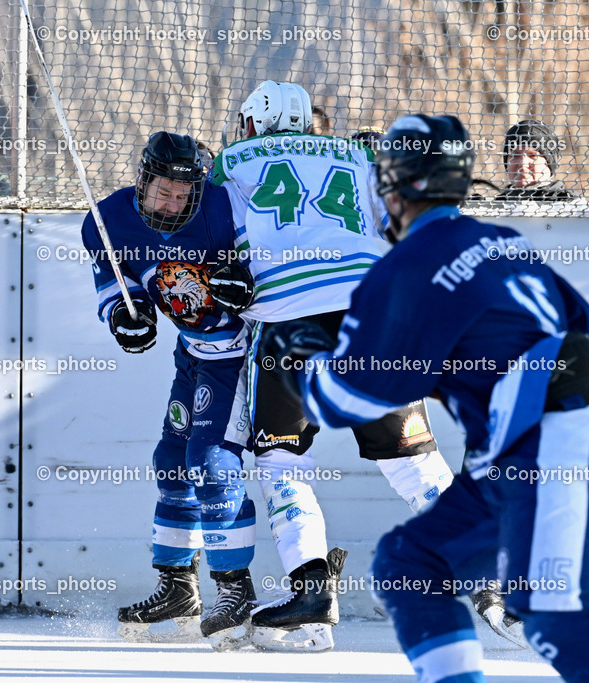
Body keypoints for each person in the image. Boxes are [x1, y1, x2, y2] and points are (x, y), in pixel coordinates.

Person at [259, 114, 589, 683]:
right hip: (556, 441)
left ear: (395, 187)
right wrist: (577, 411)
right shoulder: (501, 242)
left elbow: (341, 403)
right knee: (410, 566)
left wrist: (299, 353)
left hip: (549, 447)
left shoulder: (402, 271)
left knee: (554, 615)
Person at [209, 81, 457, 651]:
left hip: (290, 324)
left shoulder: (232, 160)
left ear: (253, 125)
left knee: (282, 461)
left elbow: (212, 233)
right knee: (412, 461)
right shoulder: (357, 154)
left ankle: (311, 595)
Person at [80, 132, 258, 651]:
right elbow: (117, 284)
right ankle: (178, 588)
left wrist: (245, 283)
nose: (173, 204)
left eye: (184, 196)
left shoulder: (224, 207)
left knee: (210, 460)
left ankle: (234, 591)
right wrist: (122, 313)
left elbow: (267, 264)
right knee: (172, 460)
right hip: (193, 354)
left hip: (240, 356)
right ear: (143, 180)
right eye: (163, 192)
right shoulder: (109, 220)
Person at [495, 120, 573, 201]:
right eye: (515, 155)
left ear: (550, 163)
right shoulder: (496, 207)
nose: (522, 163)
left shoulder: (569, 205)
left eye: (533, 155)